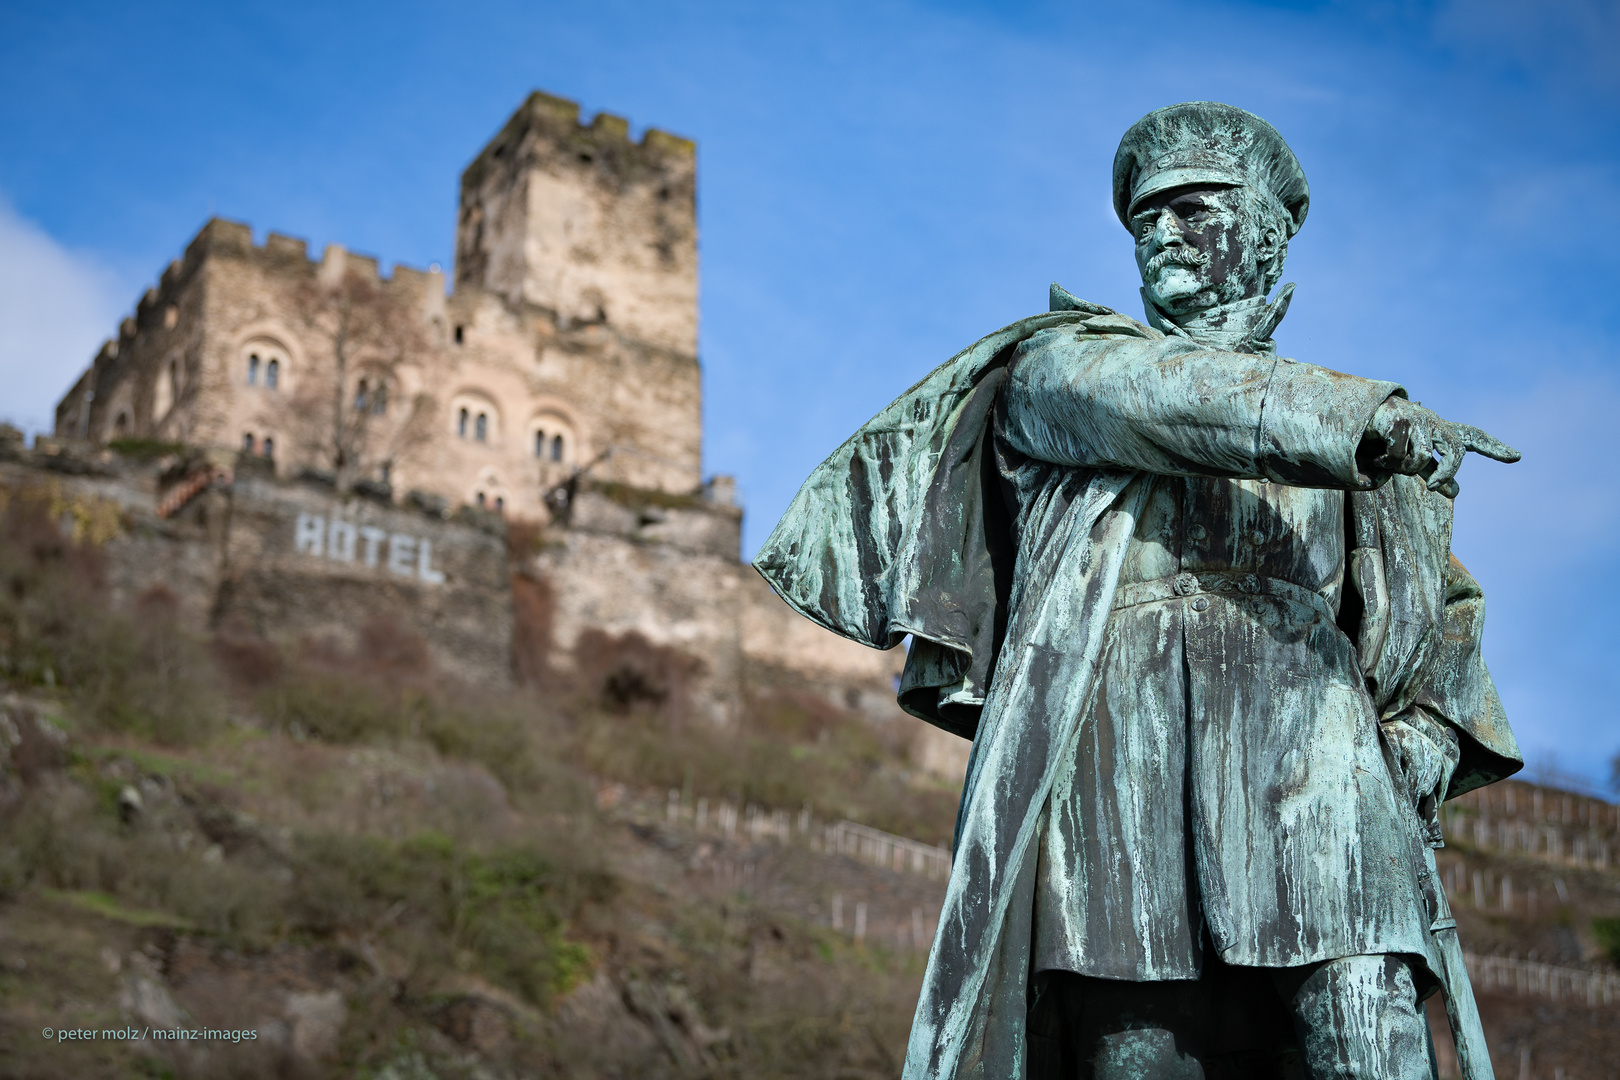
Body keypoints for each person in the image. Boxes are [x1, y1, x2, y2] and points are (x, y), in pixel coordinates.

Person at [755, 102, 1522, 1079]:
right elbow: (1171, 398)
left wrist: (1426, 736)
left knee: (1369, 1016)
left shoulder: (1367, 450)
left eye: (1191, 208)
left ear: (1268, 226)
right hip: (1117, 734)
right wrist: (1365, 419)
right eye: (1144, 218)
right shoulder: (1063, 366)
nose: (1159, 232)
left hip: (1315, 736)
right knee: (1136, 1051)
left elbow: (1442, 614)